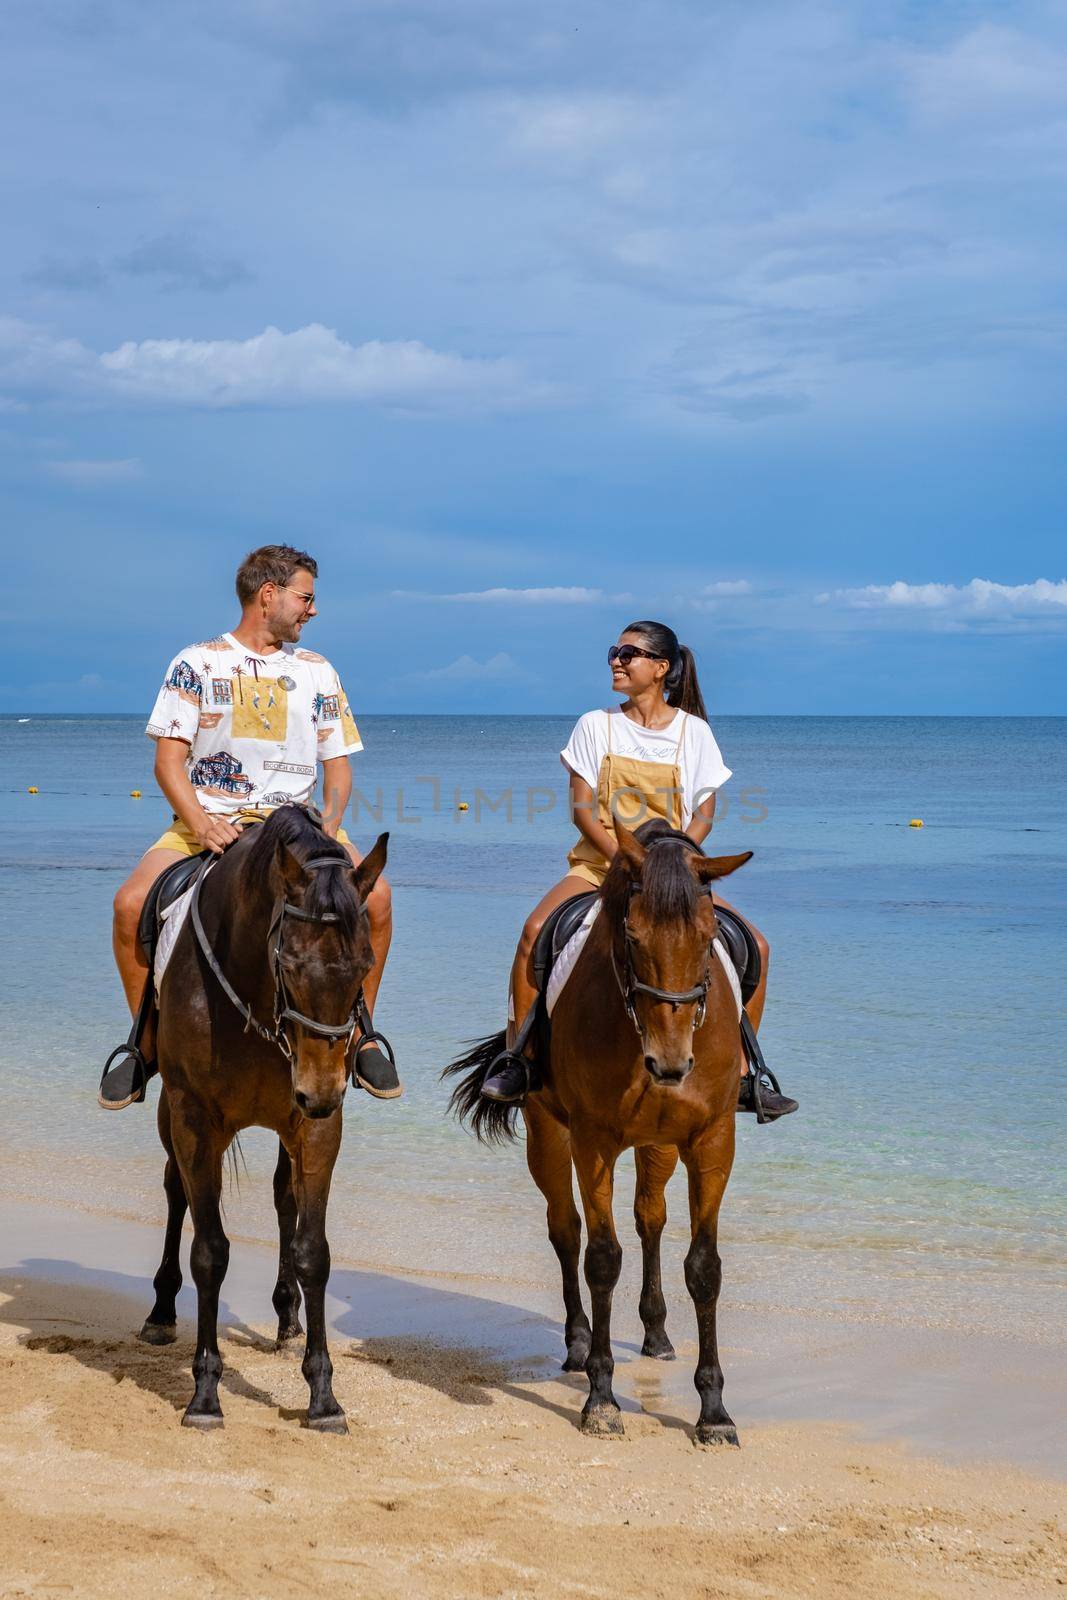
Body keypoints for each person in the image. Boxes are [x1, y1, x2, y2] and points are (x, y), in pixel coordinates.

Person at [99, 544, 401, 1109]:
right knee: (128, 903)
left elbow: (338, 766)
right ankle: (145, 1042)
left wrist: (329, 825)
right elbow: (168, 762)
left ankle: (360, 1035)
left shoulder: (317, 670)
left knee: (377, 899)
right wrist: (200, 821)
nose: (311, 610)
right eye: (305, 597)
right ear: (270, 595)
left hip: (300, 830)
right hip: (207, 821)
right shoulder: (198, 662)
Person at [479, 620, 797, 1118]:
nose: (616, 660)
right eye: (614, 651)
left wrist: (670, 869)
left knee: (756, 945)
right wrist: (628, 863)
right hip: (598, 866)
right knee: (534, 930)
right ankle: (521, 1057)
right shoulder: (595, 725)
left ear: (662, 668)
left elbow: (704, 813)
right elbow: (583, 810)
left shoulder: (694, 733)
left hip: (673, 876)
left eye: (630, 653)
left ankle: (742, 1072)